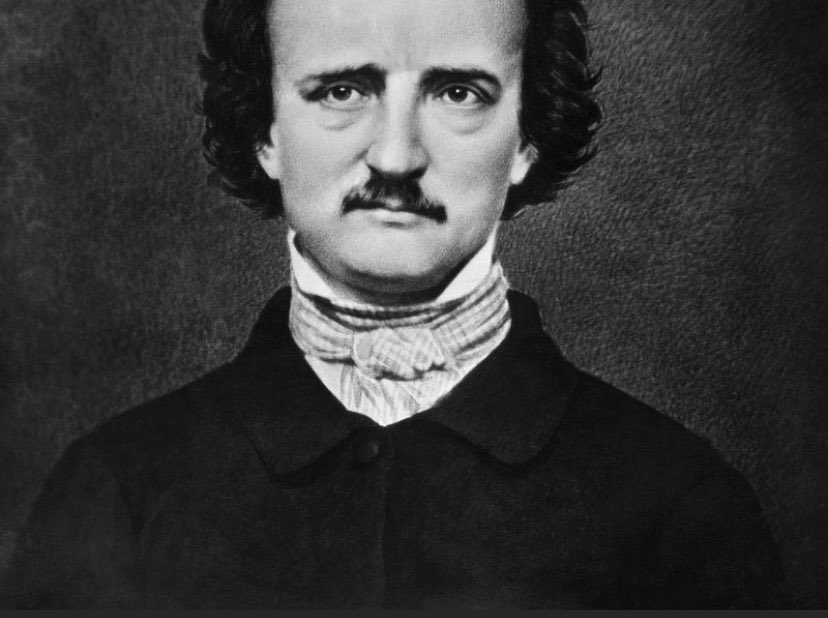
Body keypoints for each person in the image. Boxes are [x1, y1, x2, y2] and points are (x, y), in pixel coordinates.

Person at [1, 0, 784, 609]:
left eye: (457, 92)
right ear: (266, 131)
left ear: (526, 139)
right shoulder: (116, 492)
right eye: (343, 90)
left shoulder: (680, 506)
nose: (397, 156)